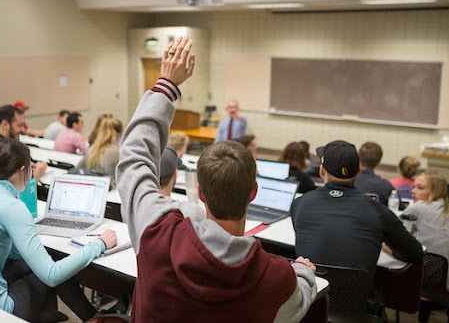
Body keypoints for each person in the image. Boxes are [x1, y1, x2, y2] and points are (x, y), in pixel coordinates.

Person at [116, 37, 317, 322]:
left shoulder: (156, 232)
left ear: (199, 191)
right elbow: (297, 304)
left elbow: (134, 156)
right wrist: (303, 273)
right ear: (253, 192)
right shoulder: (275, 277)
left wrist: (167, 85)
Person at [0, 138, 118, 321]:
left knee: (40, 263)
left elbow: (9, 252)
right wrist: (99, 244)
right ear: (22, 171)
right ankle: (91, 318)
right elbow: (51, 275)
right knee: (51, 271)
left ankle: (88, 317)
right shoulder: (11, 206)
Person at [291, 140, 423, 280]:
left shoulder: (299, 204)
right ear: (359, 171)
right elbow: (415, 253)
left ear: (322, 170)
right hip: (356, 299)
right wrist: (384, 243)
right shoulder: (379, 212)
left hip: (312, 297)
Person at [399, 170, 449, 322]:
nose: (413, 191)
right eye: (414, 187)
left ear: (435, 191)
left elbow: (396, 237)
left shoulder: (418, 208)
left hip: (422, 282)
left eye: (420, 188)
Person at [77, 117, 123, 184]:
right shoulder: (118, 153)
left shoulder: (91, 149)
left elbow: (78, 168)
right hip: (111, 191)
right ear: (118, 135)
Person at [355, 141, 400, 207]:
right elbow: (399, 208)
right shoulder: (385, 186)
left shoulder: (348, 181)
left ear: (359, 158)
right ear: (379, 161)